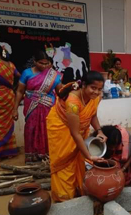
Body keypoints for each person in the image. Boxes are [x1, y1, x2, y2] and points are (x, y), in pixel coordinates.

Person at [46, 71, 107, 202]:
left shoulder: (95, 97)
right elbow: (75, 133)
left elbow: (92, 114)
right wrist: (89, 156)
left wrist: (100, 131)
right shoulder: (72, 102)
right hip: (61, 128)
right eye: (93, 88)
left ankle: (78, 189)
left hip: (78, 131)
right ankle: (64, 198)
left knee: (78, 161)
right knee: (64, 164)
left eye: (100, 89)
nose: (96, 92)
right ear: (83, 85)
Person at [13, 51, 63, 164]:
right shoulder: (27, 73)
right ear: (34, 61)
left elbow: (61, 92)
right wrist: (15, 109)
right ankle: (32, 156)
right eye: (41, 63)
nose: (44, 66)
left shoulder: (53, 75)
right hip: (31, 106)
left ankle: (46, 155)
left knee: (47, 129)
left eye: (47, 63)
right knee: (30, 129)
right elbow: (20, 91)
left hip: (48, 106)